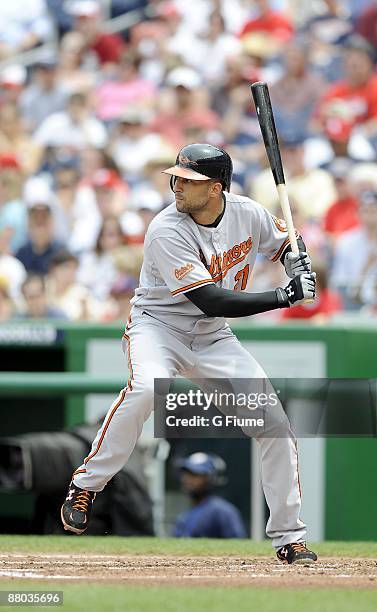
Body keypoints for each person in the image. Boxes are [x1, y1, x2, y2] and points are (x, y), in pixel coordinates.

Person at [61, 143, 317, 565]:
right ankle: (86, 485)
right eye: (176, 176)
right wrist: (283, 295)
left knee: (274, 425)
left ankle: (289, 536)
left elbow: (285, 241)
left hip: (213, 338)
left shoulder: (247, 212)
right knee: (146, 389)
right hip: (158, 327)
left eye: (189, 180)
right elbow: (210, 299)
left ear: (216, 188)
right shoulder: (166, 228)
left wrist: (295, 260)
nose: (176, 184)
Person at [173, 452, 246, 539]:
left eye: (195, 474)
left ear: (211, 479)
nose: (188, 479)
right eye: (187, 473)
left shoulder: (222, 511)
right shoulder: (185, 515)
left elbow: (237, 545)